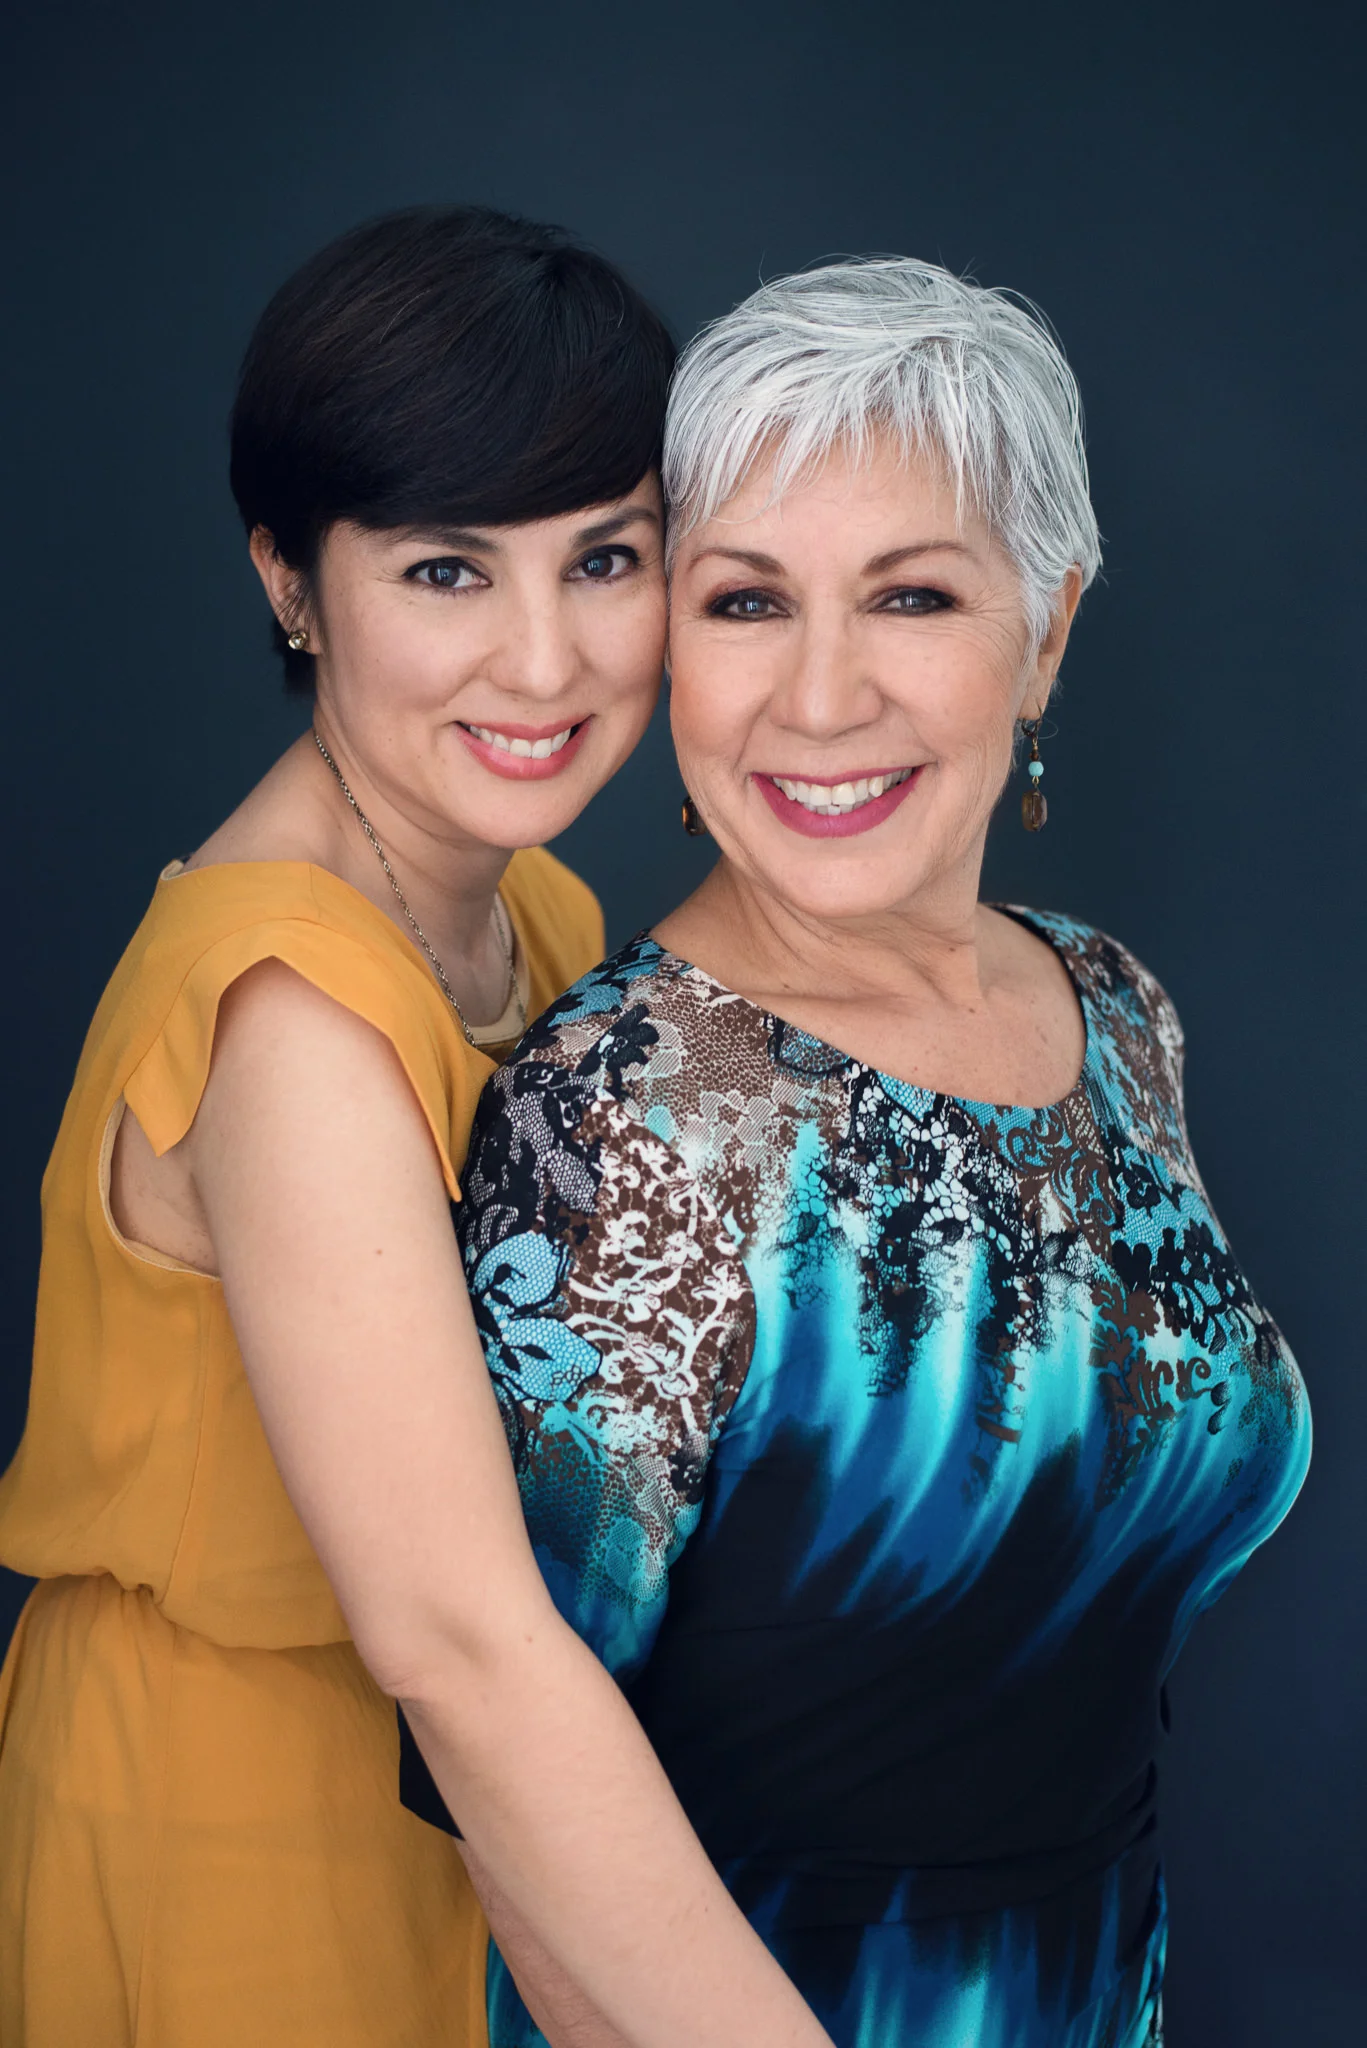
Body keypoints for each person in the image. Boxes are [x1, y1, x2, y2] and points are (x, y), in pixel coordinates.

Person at [0, 208, 834, 2048]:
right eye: (447, 571)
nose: (542, 663)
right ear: (291, 581)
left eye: (603, 559)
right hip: (248, 1810)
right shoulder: (292, 1015)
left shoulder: (529, 905)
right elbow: (453, 1634)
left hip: (475, 1772)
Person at [455, 258, 1312, 2048]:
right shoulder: (622, 1115)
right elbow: (514, 1817)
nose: (820, 696)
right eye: (745, 602)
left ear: (1047, 631)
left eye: (909, 595)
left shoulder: (1113, 1009)